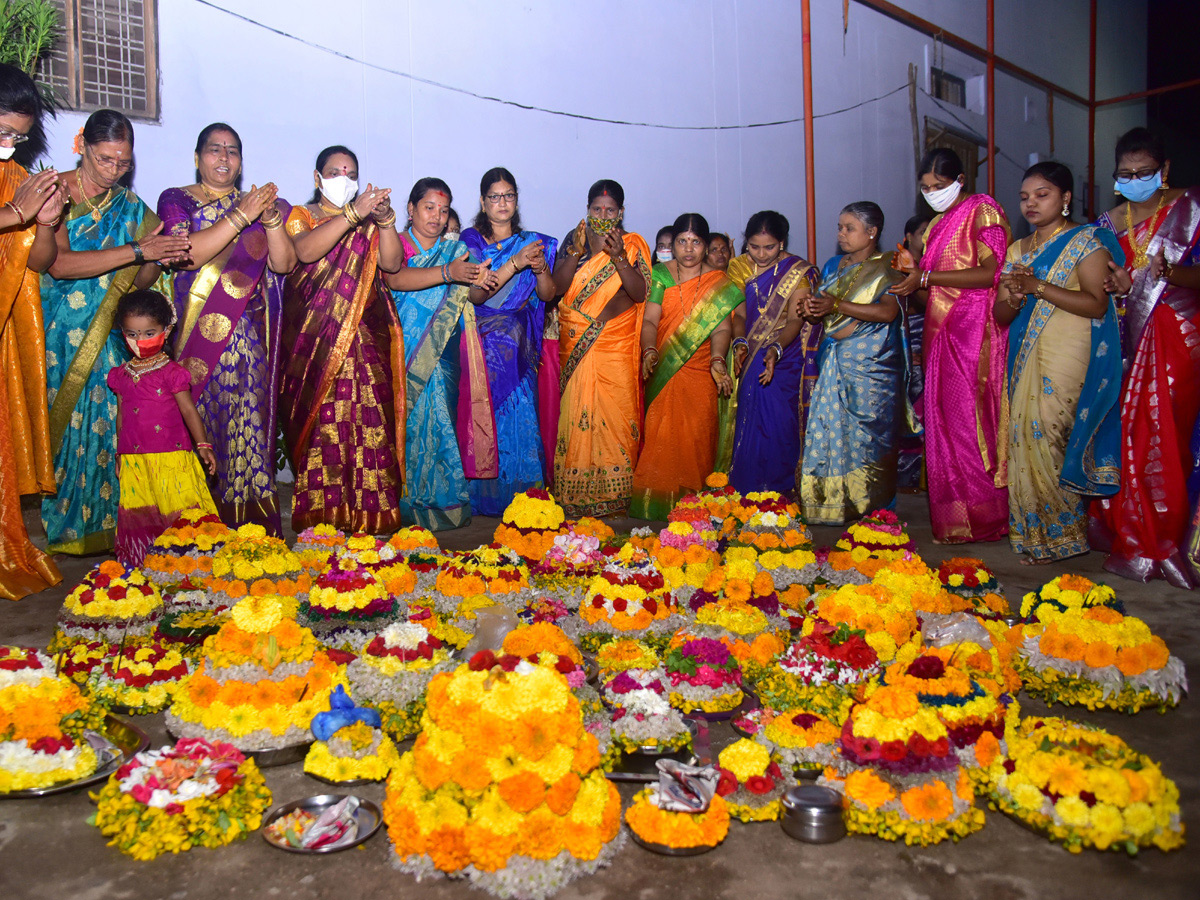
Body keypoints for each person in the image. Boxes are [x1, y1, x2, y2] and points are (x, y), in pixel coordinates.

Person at [39, 110, 190, 557]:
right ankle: (66, 528)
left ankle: (111, 527)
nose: (114, 171)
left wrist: (155, 258)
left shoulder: (128, 207)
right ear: (81, 145)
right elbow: (58, 264)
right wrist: (139, 248)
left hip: (110, 334)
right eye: (105, 159)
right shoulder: (54, 193)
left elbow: (140, 284)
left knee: (111, 426)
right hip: (59, 334)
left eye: (124, 163)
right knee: (69, 431)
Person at [157, 123, 296, 534]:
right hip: (192, 337)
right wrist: (243, 215)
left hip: (248, 337)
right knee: (196, 424)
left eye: (232, 150)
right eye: (214, 149)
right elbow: (186, 254)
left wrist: (270, 220)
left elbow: (284, 265)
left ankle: (251, 526)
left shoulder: (258, 203)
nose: (223, 158)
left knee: (245, 423)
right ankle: (196, 527)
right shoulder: (176, 199)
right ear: (197, 156)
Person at [993, 162, 1122, 564]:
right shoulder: (1017, 250)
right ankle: (1033, 533)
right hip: (1025, 355)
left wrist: (1037, 287)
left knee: (1051, 434)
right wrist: (1014, 298)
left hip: (1069, 351)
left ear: (1066, 198)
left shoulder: (1087, 241)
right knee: (1024, 436)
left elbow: (1096, 302)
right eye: (1024, 196)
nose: (1031, 203)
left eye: (1042, 194)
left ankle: (1064, 534)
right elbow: (1000, 315)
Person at [1089, 128, 1200, 587]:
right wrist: (1114, 285)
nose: (1135, 180)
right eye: (1126, 174)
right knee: (1123, 435)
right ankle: (1129, 533)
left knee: (1168, 437)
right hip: (1124, 339)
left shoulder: (1189, 209)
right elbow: (1097, 283)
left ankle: (1167, 538)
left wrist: (1172, 273)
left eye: (1145, 173)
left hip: (1179, 336)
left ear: (1165, 170)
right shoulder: (1108, 222)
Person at [278, 145, 407, 533]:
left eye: (351, 174)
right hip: (315, 342)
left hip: (365, 338)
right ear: (317, 179)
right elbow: (303, 252)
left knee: (370, 421)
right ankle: (324, 517)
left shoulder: (367, 221)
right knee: (324, 426)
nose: (344, 180)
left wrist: (384, 222)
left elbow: (392, 264)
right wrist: (354, 214)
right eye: (335, 172)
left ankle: (374, 513)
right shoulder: (303, 216)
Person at [892, 148, 1011, 543]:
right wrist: (913, 278)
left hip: (974, 328)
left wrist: (924, 278)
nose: (932, 193)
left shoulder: (983, 209)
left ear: (961, 179)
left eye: (939, 186)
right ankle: (957, 520)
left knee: (971, 422)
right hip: (940, 332)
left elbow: (990, 273)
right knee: (942, 421)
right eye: (925, 188)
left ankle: (988, 516)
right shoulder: (936, 225)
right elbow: (931, 291)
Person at [387, 177, 496, 530]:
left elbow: (476, 293)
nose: (436, 216)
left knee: (441, 422)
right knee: (406, 424)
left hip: (445, 349)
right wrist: (449, 273)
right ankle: (401, 504)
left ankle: (441, 503)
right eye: (428, 207)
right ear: (411, 209)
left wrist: (479, 279)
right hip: (404, 347)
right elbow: (395, 279)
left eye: (443, 210)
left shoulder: (457, 250)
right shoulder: (397, 245)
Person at [0, 63, 66, 599]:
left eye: (18, 137)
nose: (9, 145)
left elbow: (40, 263)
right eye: (1, 131)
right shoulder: (12, 193)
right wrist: (11, 213)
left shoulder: (19, 179)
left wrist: (42, 221)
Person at [799, 202, 905, 523]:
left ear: (871, 232)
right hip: (835, 360)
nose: (841, 234)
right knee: (832, 430)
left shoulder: (888, 266)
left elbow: (889, 312)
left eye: (850, 228)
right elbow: (823, 308)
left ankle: (871, 509)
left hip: (872, 367)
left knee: (867, 435)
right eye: (840, 227)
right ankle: (833, 505)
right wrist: (811, 308)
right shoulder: (833, 265)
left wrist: (836, 304)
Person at [551, 179, 650, 517]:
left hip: (615, 346)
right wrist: (577, 252)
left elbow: (639, 294)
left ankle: (618, 497)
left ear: (621, 213)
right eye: (596, 209)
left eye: (610, 210)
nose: (603, 215)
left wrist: (620, 258)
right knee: (577, 416)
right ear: (587, 209)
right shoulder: (573, 240)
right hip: (577, 344)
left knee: (617, 418)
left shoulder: (633, 245)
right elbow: (555, 289)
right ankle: (576, 495)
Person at [461, 167, 558, 515]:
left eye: (509, 195)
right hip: (484, 341)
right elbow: (476, 295)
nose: (502, 202)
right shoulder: (470, 240)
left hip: (519, 342)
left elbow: (547, 295)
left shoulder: (536, 242)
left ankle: (521, 497)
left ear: (516, 200)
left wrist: (539, 268)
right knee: (485, 416)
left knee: (519, 418)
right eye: (495, 196)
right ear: (484, 202)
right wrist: (515, 263)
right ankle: (483, 496)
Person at [631, 213, 740, 519]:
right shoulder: (660, 276)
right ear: (673, 243)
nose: (688, 249)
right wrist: (650, 350)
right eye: (682, 241)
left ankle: (694, 508)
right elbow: (650, 319)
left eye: (696, 242)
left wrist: (719, 362)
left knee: (696, 437)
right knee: (660, 435)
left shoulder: (720, 283)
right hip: (664, 366)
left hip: (703, 370)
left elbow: (721, 329)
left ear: (706, 246)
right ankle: (655, 504)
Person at [108, 290, 217, 565]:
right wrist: (120, 455)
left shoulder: (172, 372)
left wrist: (203, 445)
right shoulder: (120, 375)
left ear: (166, 331)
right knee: (141, 513)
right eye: (132, 334)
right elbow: (122, 416)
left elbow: (188, 409)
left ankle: (194, 564)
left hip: (172, 457)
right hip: (135, 460)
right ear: (122, 332)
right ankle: (146, 565)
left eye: (148, 333)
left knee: (180, 511)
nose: (140, 341)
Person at [724, 210, 820, 493]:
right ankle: (747, 489)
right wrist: (740, 342)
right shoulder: (739, 267)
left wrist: (776, 349)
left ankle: (781, 491)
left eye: (770, 247)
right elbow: (738, 315)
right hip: (749, 352)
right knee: (750, 419)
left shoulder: (798, 272)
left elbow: (795, 319)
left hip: (785, 355)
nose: (761, 254)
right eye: (754, 247)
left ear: (782, 243)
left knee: (780, 422)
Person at [897, 214, 931, 491]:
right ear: (909, 236)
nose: (929, 236)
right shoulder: (897, 264)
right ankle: (905, 470)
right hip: (905, 342)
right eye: (923, 231)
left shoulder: (939, 265)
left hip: (933, 340)